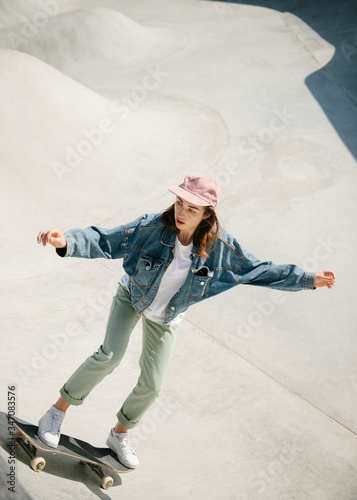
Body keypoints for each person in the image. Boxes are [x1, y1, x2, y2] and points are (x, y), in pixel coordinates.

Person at [36, 173, 336, 468]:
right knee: (109, 356)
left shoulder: (222, 248)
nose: (181, 212)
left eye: (192, 209)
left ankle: (119, 434)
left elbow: (260, 270)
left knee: (152, 385)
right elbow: (108, 239)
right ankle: (56, 412)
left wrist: (307, 280)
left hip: (167, 315)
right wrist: (67, 241)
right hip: (133, 296)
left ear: (207, 214)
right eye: (179, 203)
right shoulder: (152, 226)